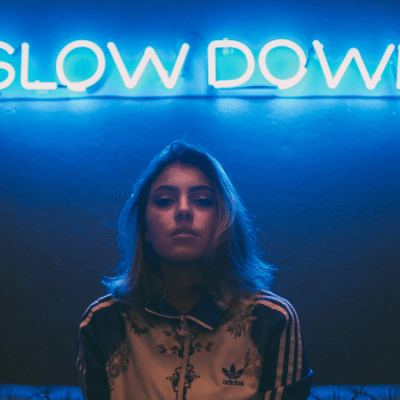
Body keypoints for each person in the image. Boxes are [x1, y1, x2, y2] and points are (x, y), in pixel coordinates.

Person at [77, 141, 313, 400]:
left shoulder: (271, 320)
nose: (183, 210)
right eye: (165, 200)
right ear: (144, 228)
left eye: (202, 200)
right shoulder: (102, 323)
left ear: (223, 219)